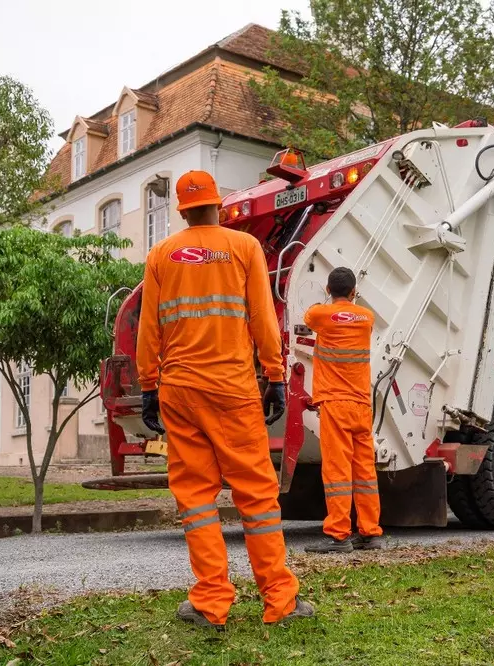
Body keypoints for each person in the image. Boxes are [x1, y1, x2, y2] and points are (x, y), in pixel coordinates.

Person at [136, 170, 313, 630]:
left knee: (195, 498)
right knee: (255, 495)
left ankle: (210, 603)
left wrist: (149, 386)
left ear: (181, 210)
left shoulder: (160, 255)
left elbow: (148, 328)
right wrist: (275, 375)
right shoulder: (244, 247)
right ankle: (280, 600)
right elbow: (261, 316)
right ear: (218, 203)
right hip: (232, 388)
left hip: (179, 390)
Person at [303, 267, 384, 553]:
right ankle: (370, 532)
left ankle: (339, 534)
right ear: (354, 292)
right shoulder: (367, 318)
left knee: (337, 469)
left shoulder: (320, 316)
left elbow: (310, 315)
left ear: (328, 289)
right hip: (361, 403)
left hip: (335, 403)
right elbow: (354, 315)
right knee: (364, 469)